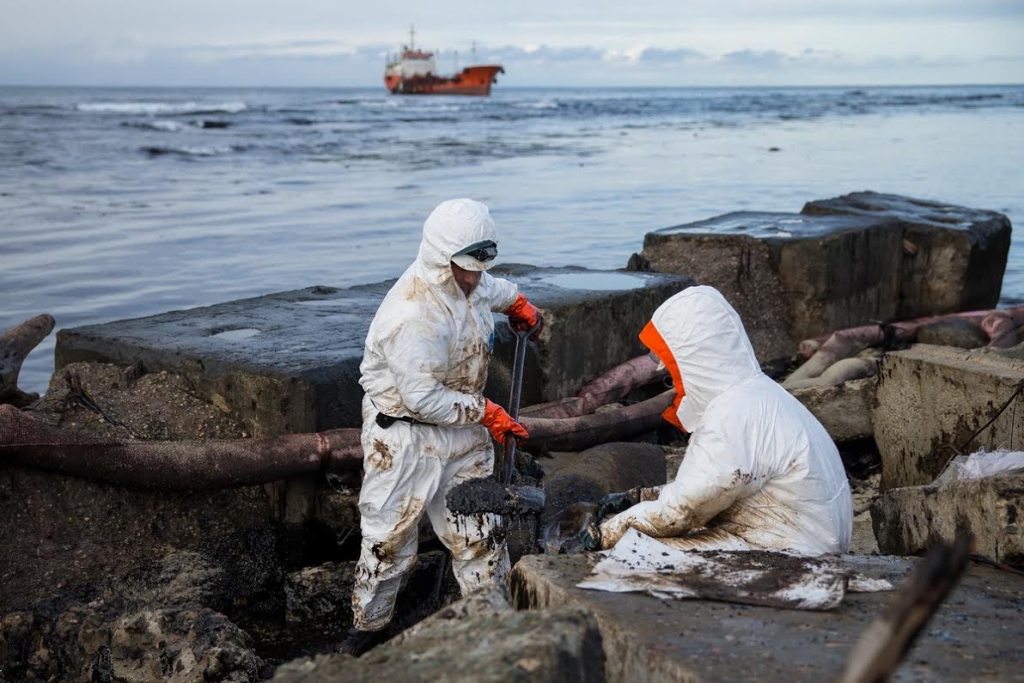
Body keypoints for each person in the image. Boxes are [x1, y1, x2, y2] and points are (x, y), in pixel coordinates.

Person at [340, 198, 543, 656]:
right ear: (438, 258)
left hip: (463, 433)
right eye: (463, 268)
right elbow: (423, 399)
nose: (472, 277)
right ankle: (367, 631)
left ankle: (495, 626)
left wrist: (520, 305)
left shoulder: (470, 282)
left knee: (480, 538)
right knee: (389, 545)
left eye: (478, 266)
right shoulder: (411, 315)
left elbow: (492, 288)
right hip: (405, 439)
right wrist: (488, 414)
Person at [595, 285, 853, 555]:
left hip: (792, 553)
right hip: (813, 537)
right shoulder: (763, 394)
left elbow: (684, 508)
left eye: (674, 366)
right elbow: (711, 485)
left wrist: (606, 532)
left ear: (695, 360)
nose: (672, 380)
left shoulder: (731, 413)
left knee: (633, 553)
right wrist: (640, 497)